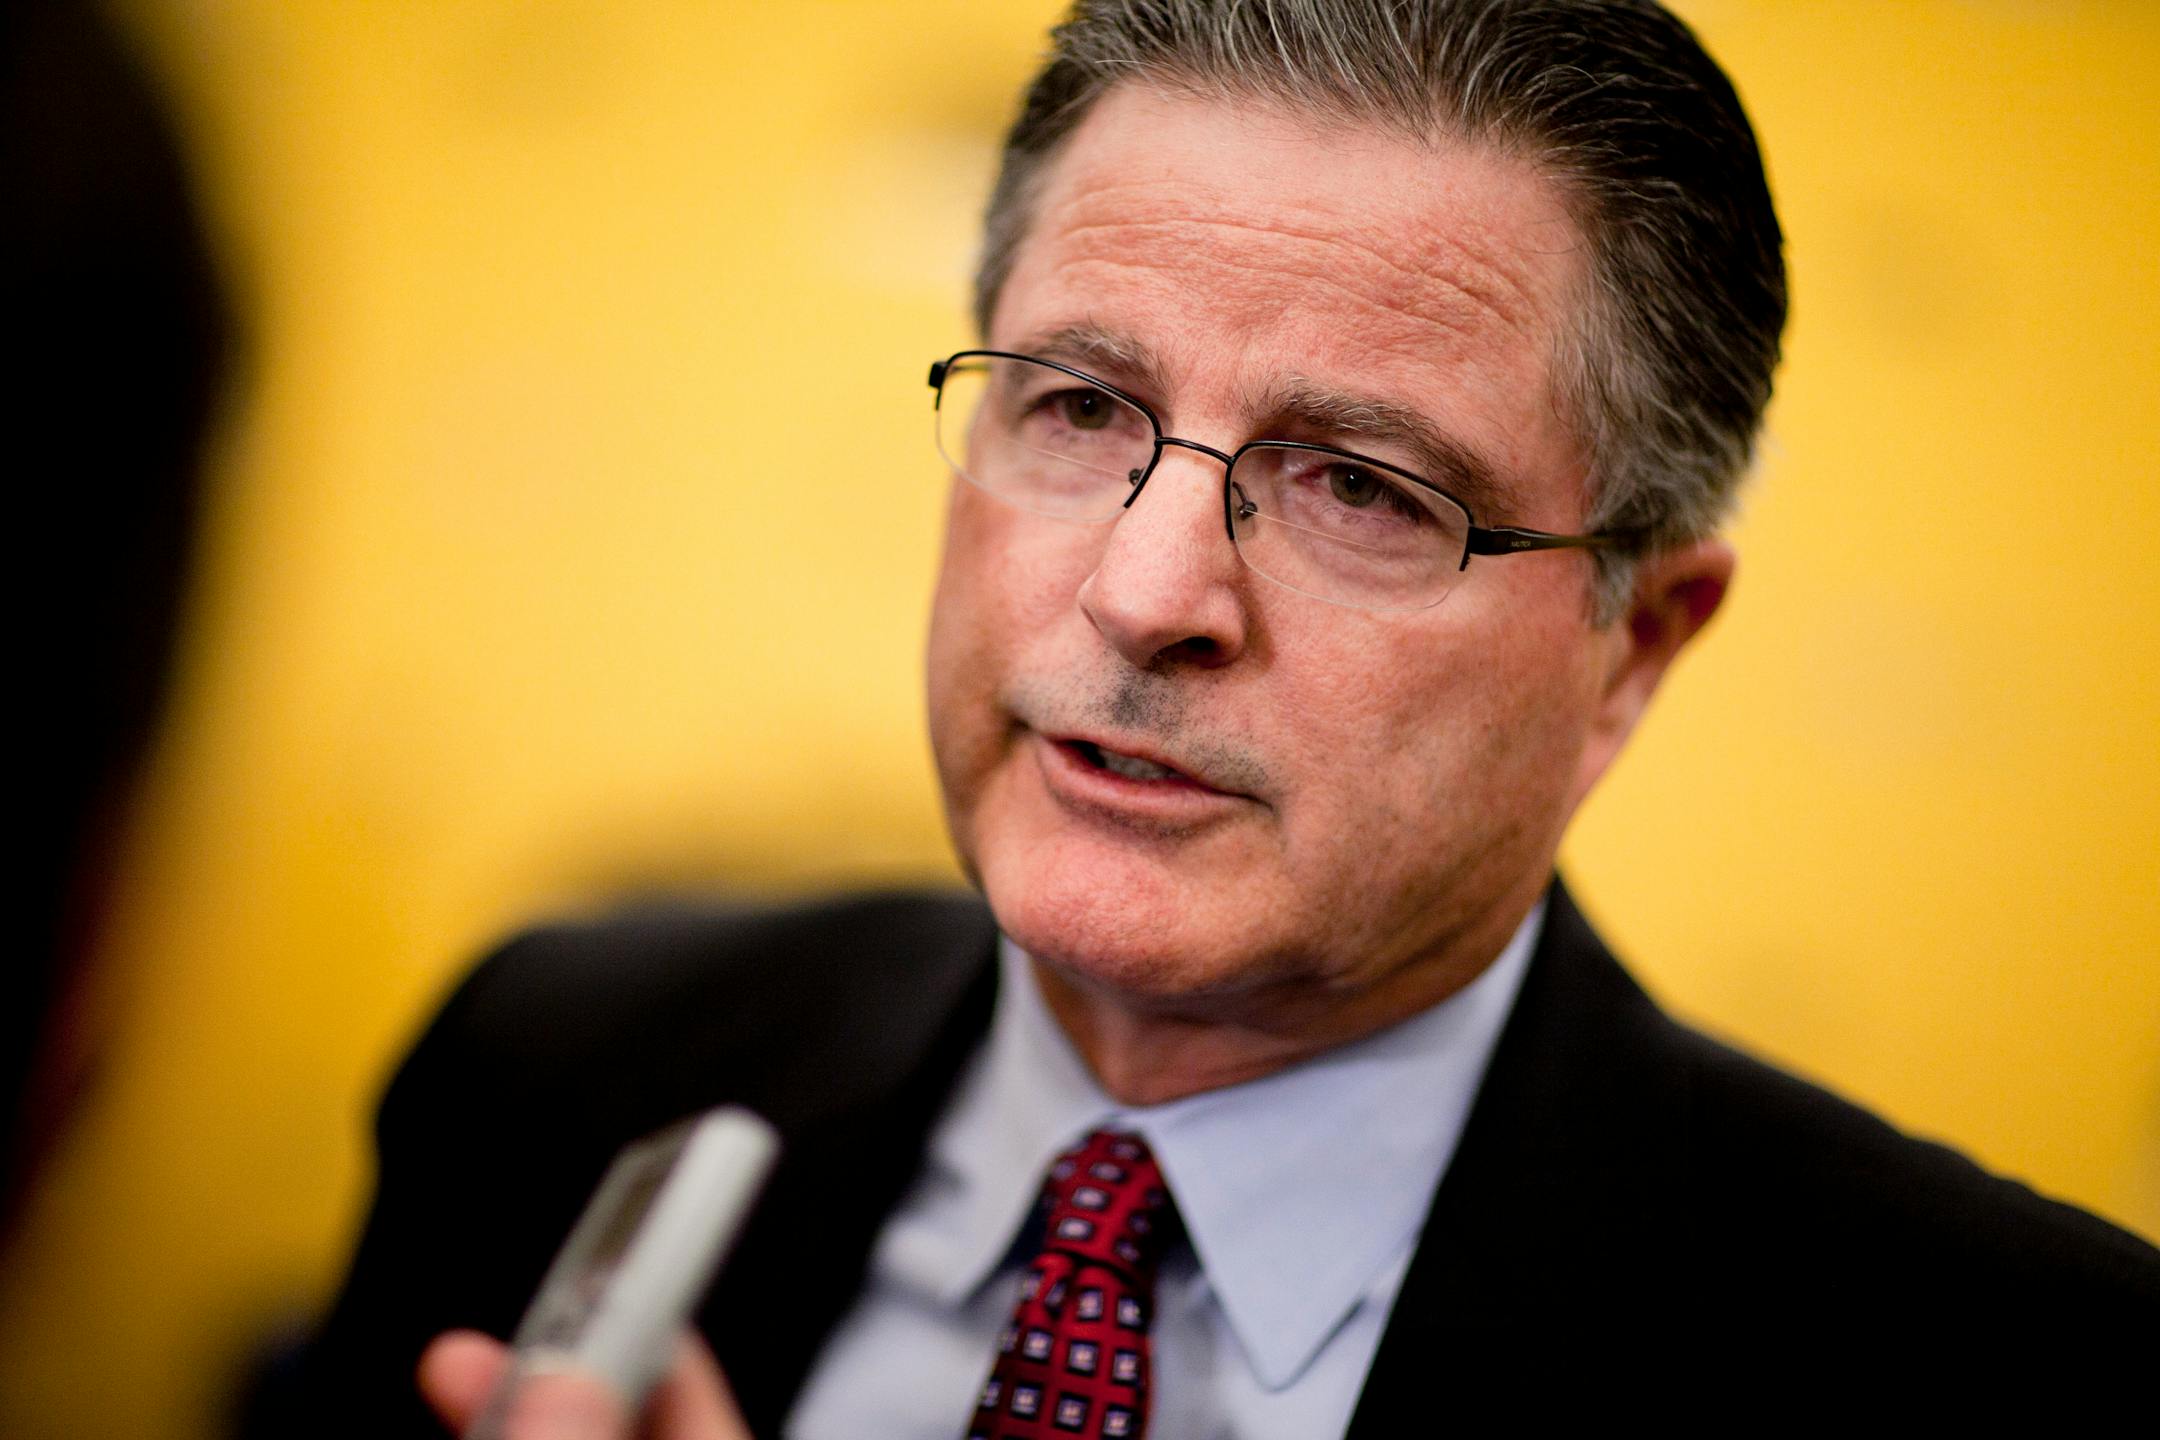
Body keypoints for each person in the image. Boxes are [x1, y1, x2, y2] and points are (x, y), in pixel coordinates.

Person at [296, 2, 2160, 1435]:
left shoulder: (2007, 1374)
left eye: (1362, 486)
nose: (1143, 591)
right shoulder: (552, 1068)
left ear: (1636, 645)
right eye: (1082, 407)